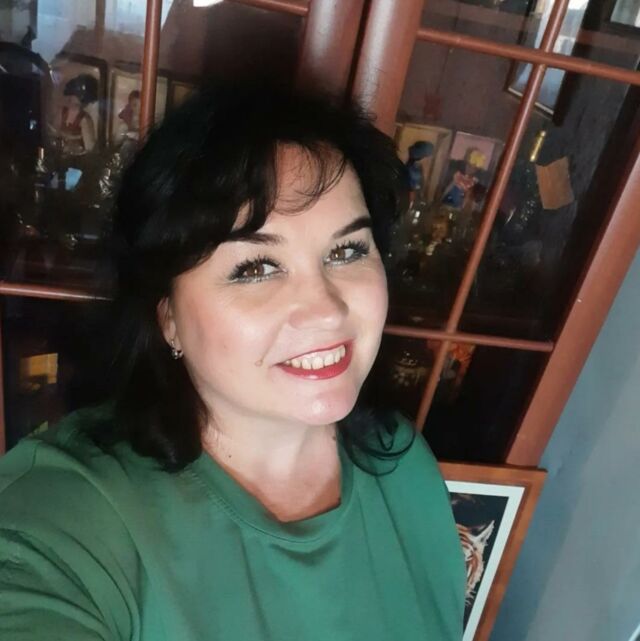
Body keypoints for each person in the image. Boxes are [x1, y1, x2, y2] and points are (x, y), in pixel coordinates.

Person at [0, 81, 466, 640]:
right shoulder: (67, 523)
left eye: (347, 251)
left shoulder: (401, 463)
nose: (326, 310)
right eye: (256, 269)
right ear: (167, 316)